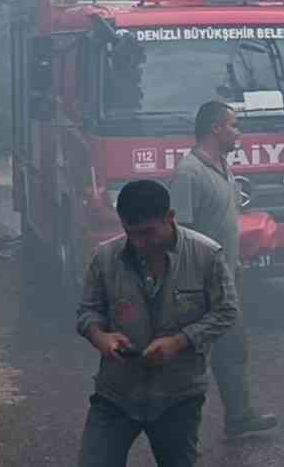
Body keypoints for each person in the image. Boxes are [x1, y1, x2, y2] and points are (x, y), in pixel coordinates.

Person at [75, 180, 239, 467]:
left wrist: (180, 341)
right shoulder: (104, 257)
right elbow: (88, 312)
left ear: (170, 217)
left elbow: (226, 312)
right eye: (130, 233)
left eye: (147, 232)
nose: (139, 243)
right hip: (116, 394)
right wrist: (101, 338)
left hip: (178, 395)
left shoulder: (206, 255)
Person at [168, 102, 277, 438]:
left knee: (232, 349)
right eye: (234, 125)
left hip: (225, 280)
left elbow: (222, 226)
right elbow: (177, 234)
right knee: (191, 361)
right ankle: (175, 432)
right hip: (200, 286)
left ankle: (239, 418)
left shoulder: (223, 167)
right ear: (215, 129)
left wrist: (235, 265)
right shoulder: (189, 173)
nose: (238, 132)